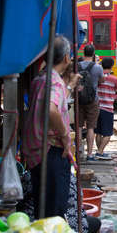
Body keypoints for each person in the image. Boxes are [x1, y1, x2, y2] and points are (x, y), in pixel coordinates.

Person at [22, 36, 81, 218]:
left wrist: (69, 86)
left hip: (38, 153)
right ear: (65, 58)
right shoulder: (53, 81)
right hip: (51, 151)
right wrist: (65, 134)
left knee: (44, 208)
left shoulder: (41, 78)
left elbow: (55, 98)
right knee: (54, 212)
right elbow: (50, 108)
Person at [78, 44, 104, 161]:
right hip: (93, 100)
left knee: (78, 127)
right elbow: (102, 80)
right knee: (90, 127)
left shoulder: (77, 66)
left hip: (79, 99)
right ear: (93, 54)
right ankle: (89, 154)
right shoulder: (98, 67)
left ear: (83, 53)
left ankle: (78, 152)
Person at [95, 57, 117, 160]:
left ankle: (99, 152)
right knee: (108, 133)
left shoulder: (98, 77)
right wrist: (115, 98)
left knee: (98, 132)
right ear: (111, 66)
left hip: (97, 108)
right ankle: (100, 152)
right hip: (108, 109)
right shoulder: (114, 79)